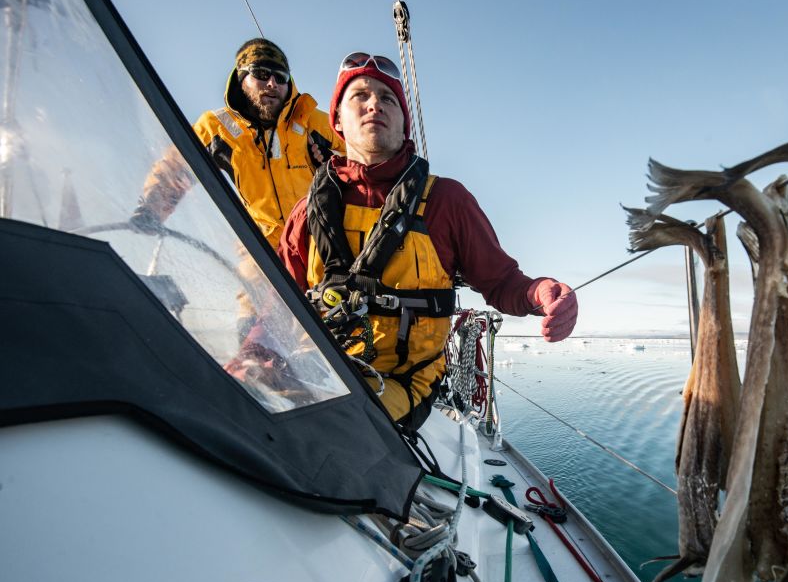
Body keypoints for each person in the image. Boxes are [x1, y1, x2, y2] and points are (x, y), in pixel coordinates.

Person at [280, 52, 577, 430]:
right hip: (319, 373)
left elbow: (501, 281)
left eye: (388, 99)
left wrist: (541, 293)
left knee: (339, 429)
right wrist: (255, 354)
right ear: (336, 119)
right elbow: (274, 300)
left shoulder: (446, 201)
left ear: (405, 124)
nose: (375, 104)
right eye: (360, 96)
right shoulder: (308, 212)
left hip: (403, 382)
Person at [132, 38, 344, 250]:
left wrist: (335, 164)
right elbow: (176, 170)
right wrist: (151, 210)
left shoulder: (311, 121)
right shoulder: (218, 128)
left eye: (281, 77)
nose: (272, 83)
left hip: (323, 240)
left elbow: (365, 154)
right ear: (242, 77)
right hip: (268, 250)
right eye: (261, 73)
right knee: (246, 280)